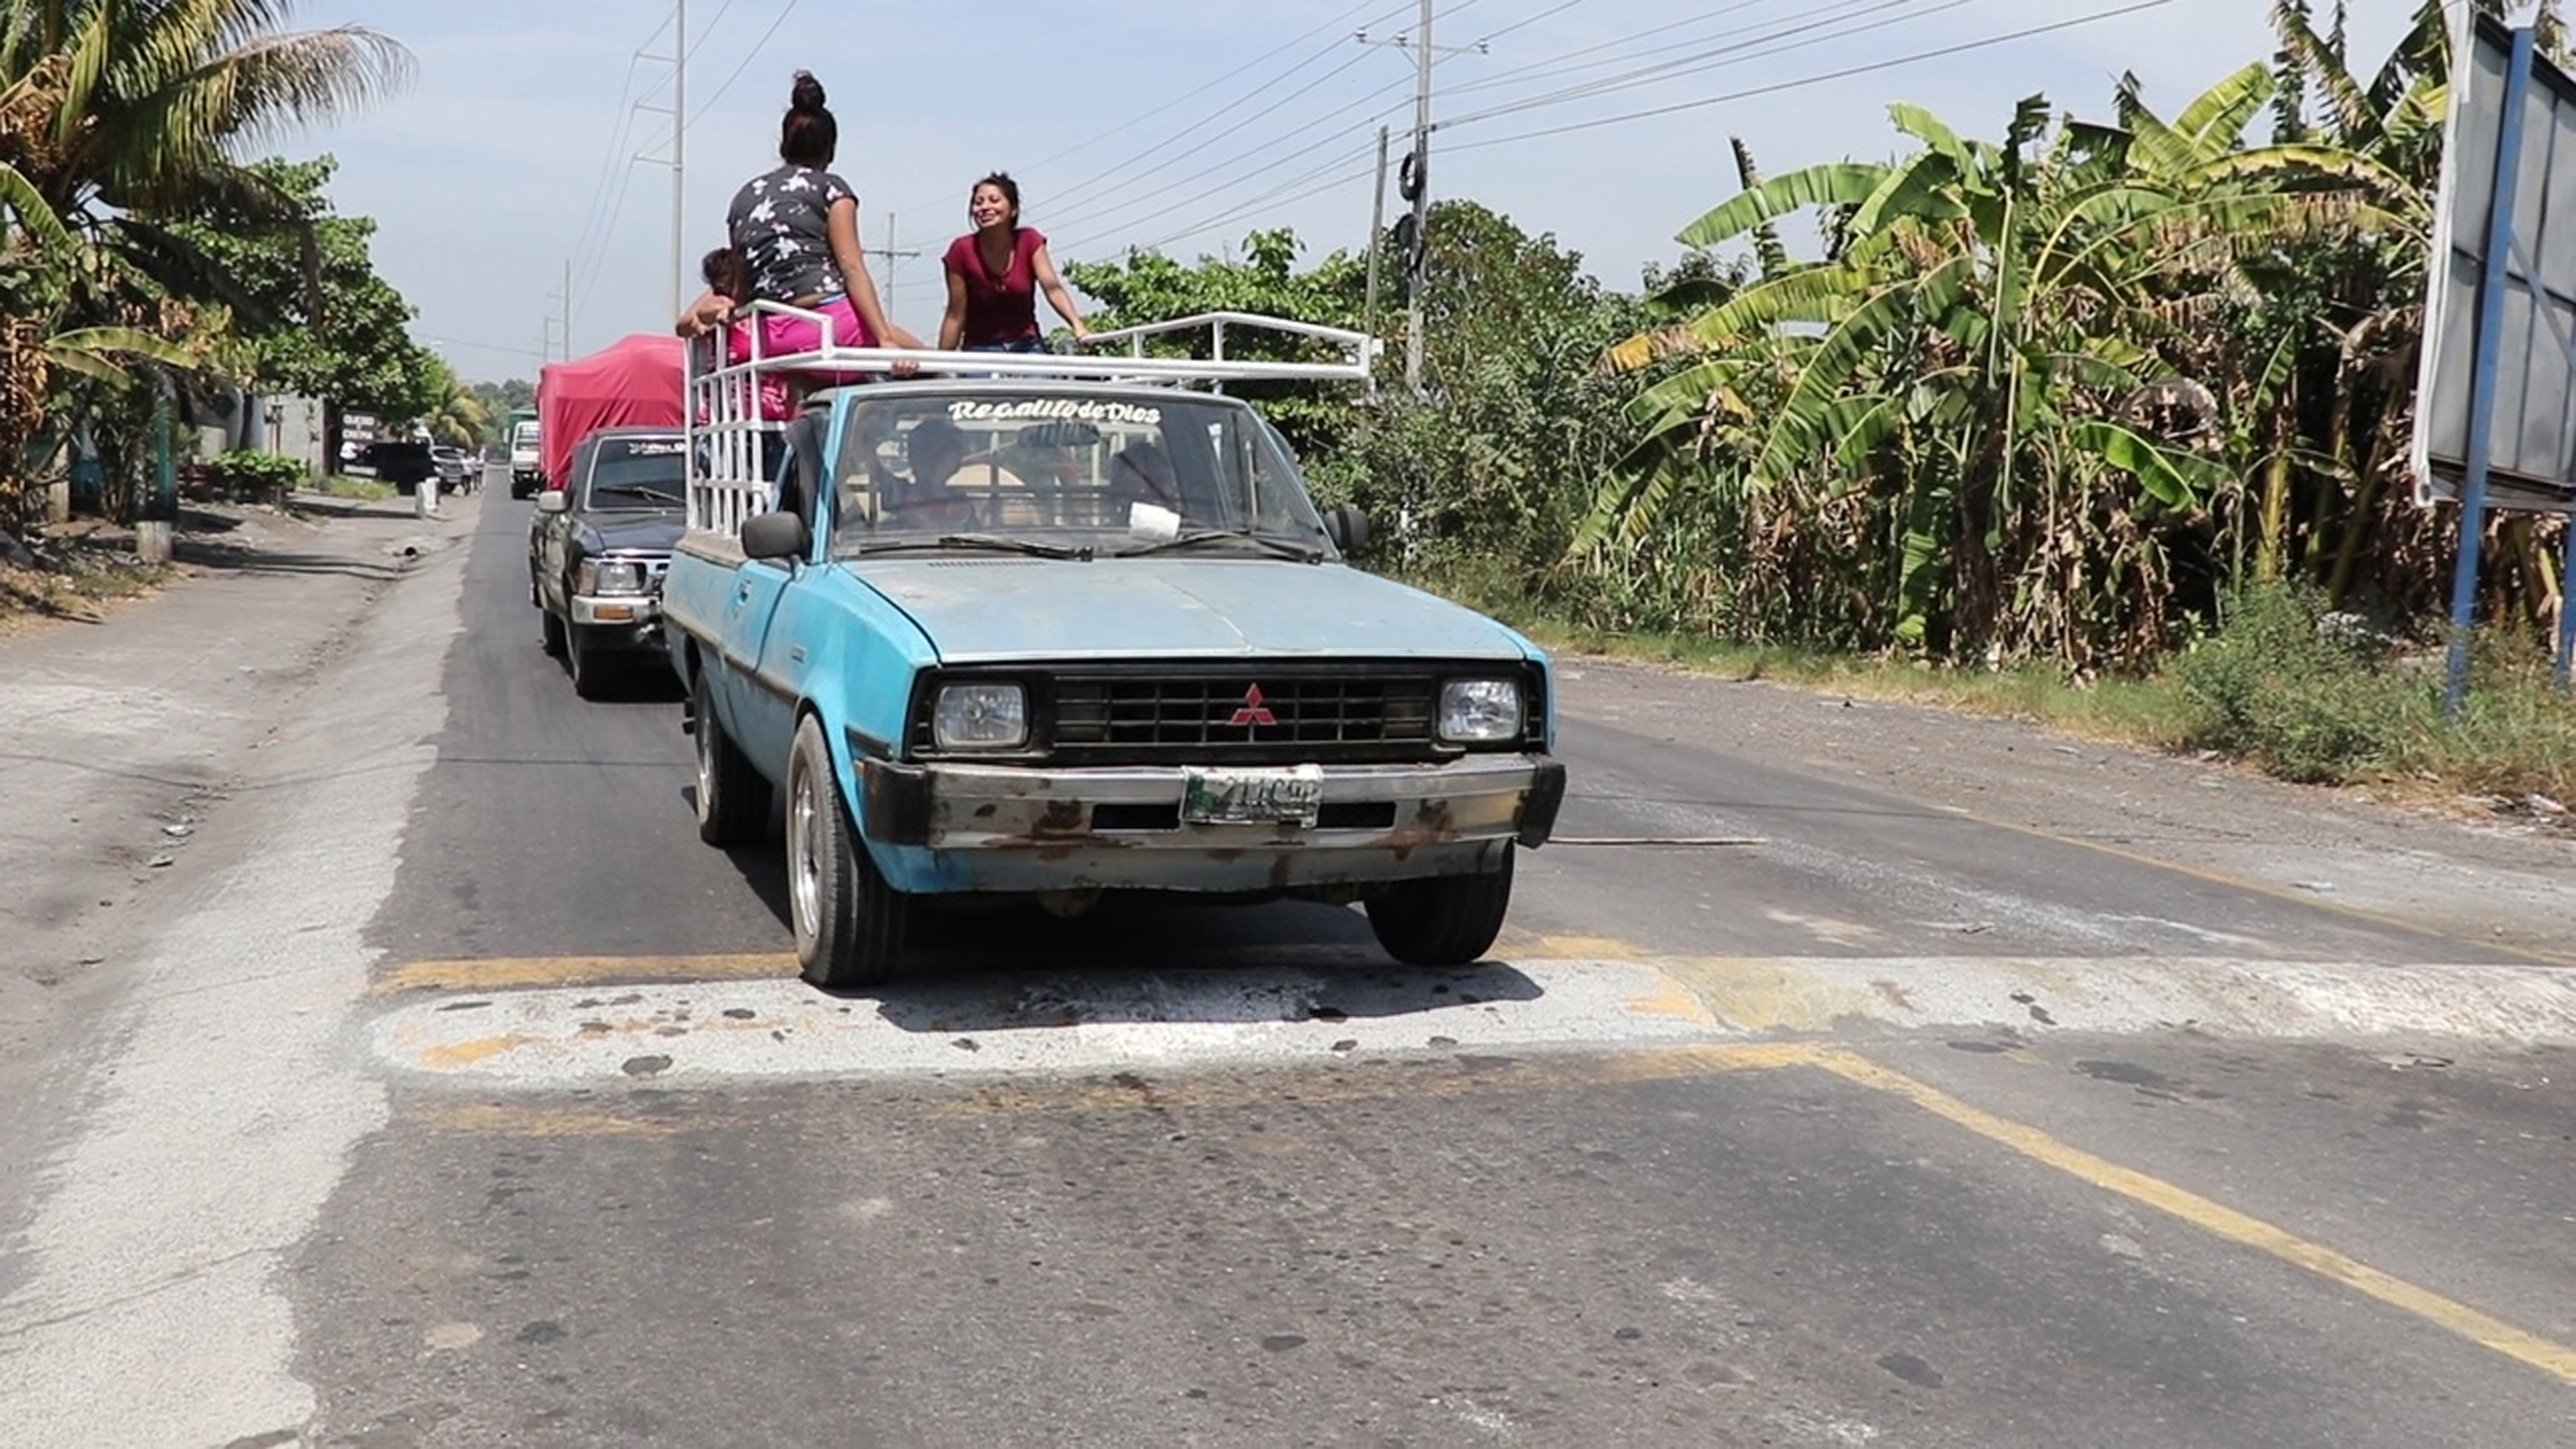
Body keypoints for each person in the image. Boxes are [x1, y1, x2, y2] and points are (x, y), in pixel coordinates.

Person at [726, 72, 924, 369]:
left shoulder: (743, 197)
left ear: (784, 145)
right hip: (826, 327)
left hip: (765, 336)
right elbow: (851, 266)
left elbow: (741, 284)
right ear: (830, 148)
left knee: (804, 383)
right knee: (919, 355)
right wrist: (885, 339)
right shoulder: (831, 189)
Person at [939, 173, 1089, 355]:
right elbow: (956, 314)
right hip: (980, 349)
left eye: (994, 201)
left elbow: (1053, 288)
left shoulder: (1030, 240)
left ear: (1014, 209)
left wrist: (1077, 325)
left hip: (1027, 344)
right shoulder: (961, 250)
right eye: (979, 203)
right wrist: (941, 362)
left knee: (1041, 382)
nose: (985, 207)